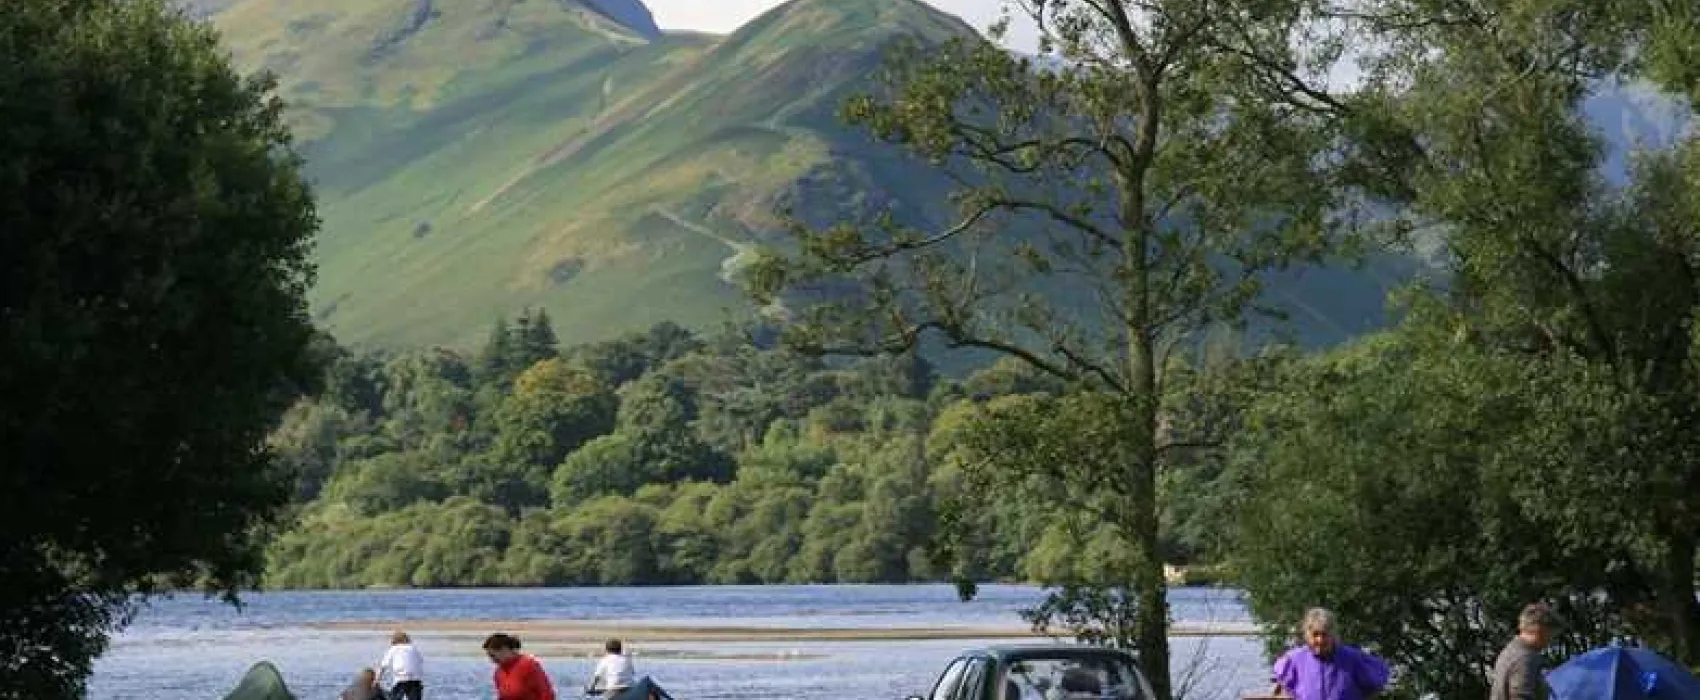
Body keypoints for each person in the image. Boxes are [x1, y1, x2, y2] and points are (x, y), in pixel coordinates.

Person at [1271, 607, 1391, 700]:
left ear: (1333, 634)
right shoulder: (1294, 659)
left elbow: (1375, 685)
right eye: (1315, 634)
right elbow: (1282, 689)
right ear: (1307, 634)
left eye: (1324, 634)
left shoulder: (1353, 658)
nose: (1320, 640)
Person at [1490, 603, 1558, 700]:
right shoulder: (1526, 658)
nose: (1551, 639)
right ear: (1540, 629)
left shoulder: (1510, 650)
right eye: (1551, 632)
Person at [485, 632, 557, 700]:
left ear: (505, 649)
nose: (492, 660)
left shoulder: (528, 665)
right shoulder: (498, 673)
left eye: (493, 656)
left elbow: (547, 694)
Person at [378, 630, 425, 700]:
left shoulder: (393, 649)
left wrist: (377, 679)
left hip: (401, 678)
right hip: (416, 679)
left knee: (395, 697)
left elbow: (383, 665)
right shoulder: (413, 648)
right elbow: (420, 661)